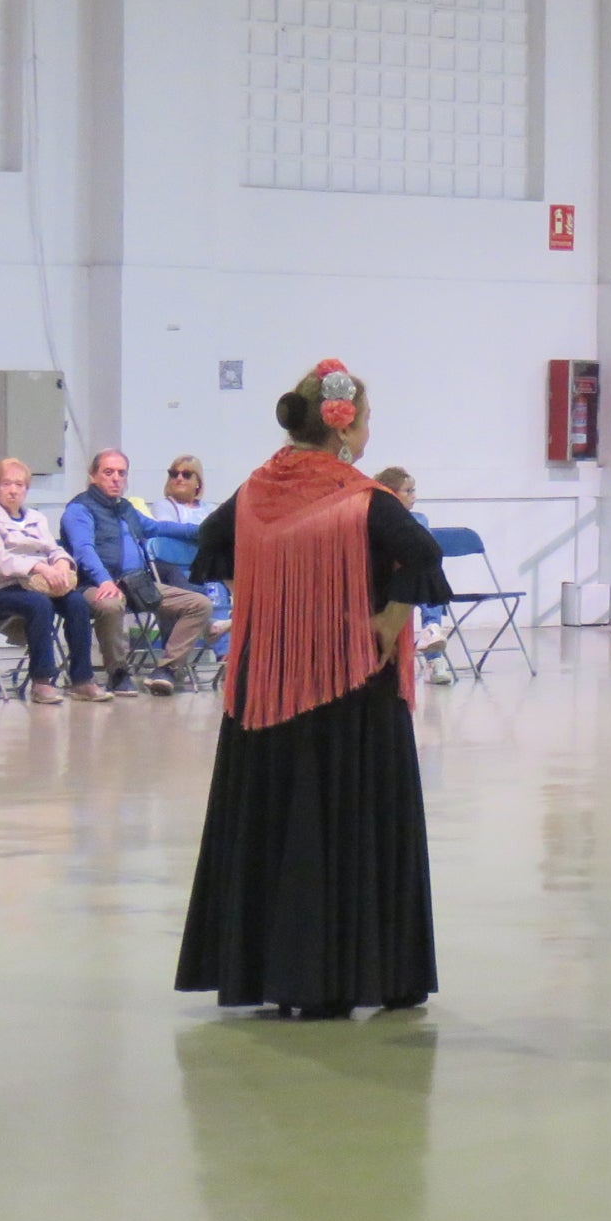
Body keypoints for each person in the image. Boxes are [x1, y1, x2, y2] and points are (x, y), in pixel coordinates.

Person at [175, 360, 449, 1018]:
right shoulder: (363, 498)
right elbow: (424, 554)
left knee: (273, 823)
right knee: (343, 824)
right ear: (343, 426)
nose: (369, 431)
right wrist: (388, 622)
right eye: (367, 420)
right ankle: (351, 974)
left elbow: (209, 543)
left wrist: (265, 600)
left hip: (266, 686)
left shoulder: (254, 490)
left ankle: (268, 971)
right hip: (348, 691)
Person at [60, 448, 214, 696]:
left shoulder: (125, 508)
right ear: (93, 476)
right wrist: (104, 580)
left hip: (136, 584)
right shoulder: (80, 509)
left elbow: (156, 527)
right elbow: (83, 550)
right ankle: (118, 673)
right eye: (108, 472)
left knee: (199, 604)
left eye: (121, 473)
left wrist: (203, 531)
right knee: (110, 604)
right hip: (94, 586)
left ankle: (166, 670)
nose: (116, 478)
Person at [0, 458, 103, 703]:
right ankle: (41, 681)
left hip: (38, 585)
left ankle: (82, 680)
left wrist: (62, 563)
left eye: (19, 485)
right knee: (39, 604)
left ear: (27, 489)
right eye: (6, 484)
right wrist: (40, 567)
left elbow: (53, 548)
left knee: (76, 602)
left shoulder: (36, 518)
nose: (13, 490)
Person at [143, 453, 234, 662]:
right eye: (174, 473)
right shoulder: (164, 506)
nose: (179, 478)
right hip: (177, 571)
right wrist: (204, 534)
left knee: (221, 583)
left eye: (186, 474)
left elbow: (223, 535)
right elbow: (170, 531)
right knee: (210, 583)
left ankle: (229, 651)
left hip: (209, 568)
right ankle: (222, 648)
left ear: (198, 482)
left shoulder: (209, 509)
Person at [371, 467, 454, 685]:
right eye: (407, 491)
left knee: (426, 577)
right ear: (390, 494)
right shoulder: (378, 517)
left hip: (411, 578)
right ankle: (432, 640)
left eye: (414, 490)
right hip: (388, 582)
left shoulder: (418, 519)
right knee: (426, 580)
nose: (414, 496)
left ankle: (432, 640)